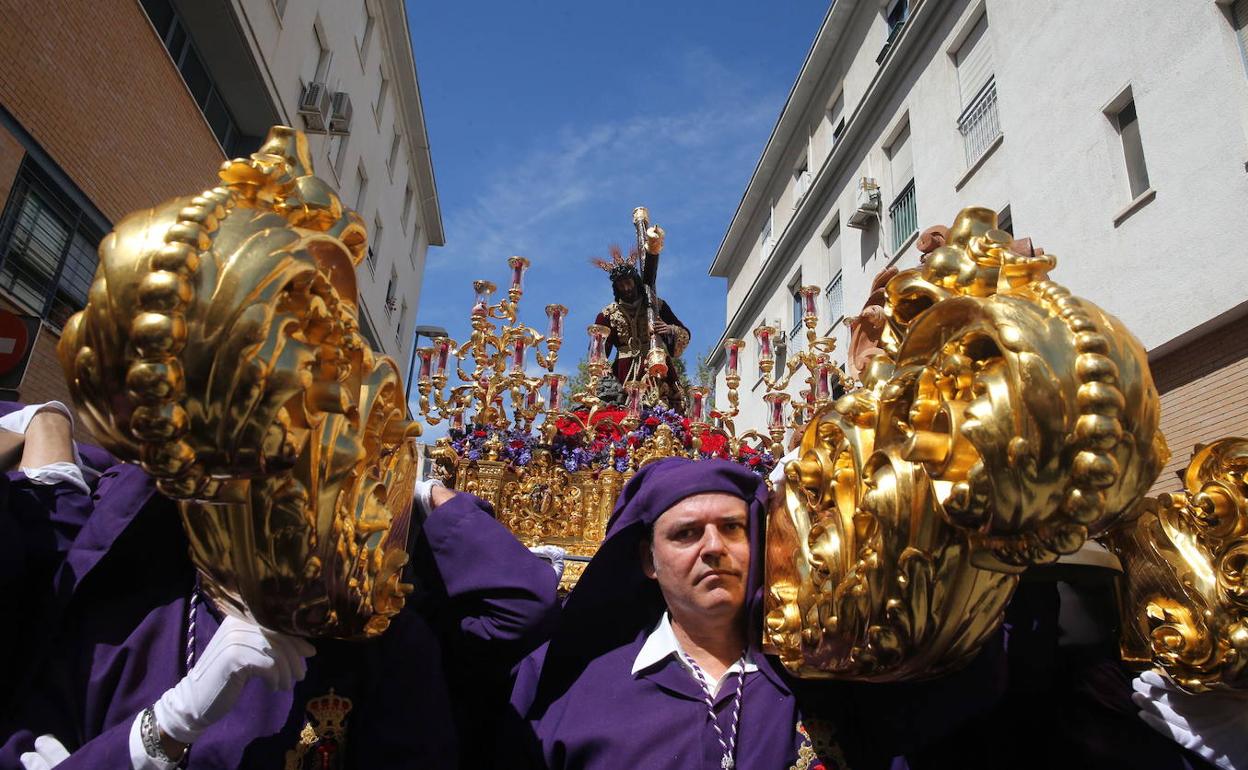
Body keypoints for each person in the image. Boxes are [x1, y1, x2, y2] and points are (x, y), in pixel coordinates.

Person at [0, 398, 560, 769]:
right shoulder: (116, 625)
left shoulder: (384, 641)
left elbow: (519, 605)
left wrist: (420, 496)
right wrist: (165, 728)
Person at [507, 457, 1005, 769]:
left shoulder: (826, 671)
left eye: (731, 528)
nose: (712, 548)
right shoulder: (574, 689)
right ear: (647, 561)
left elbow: (963, 680)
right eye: (685, 534)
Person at [591, 245, 690, 411]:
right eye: (621, 285)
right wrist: (603, 369)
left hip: (655, 363)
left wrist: (670, 330)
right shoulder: (606, 315)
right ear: (616, 288)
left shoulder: (656, 306)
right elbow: (598, 350)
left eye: (628, 283)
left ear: (636, 282)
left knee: (663, 409)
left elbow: (684, 333)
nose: (627, 289)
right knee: (619, 410)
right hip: (623, 369)